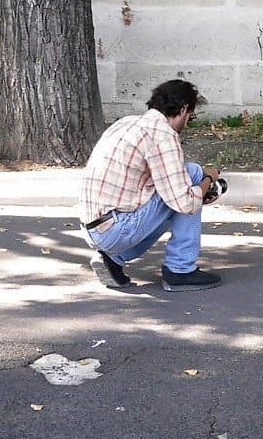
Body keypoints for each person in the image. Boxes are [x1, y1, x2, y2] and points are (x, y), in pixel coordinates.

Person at [79, 79, 223, 291]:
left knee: (181, 192)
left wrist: (198, 194)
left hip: (93, 227)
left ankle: (113, 259)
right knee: (192, 173)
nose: (188, 123)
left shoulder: (127, 122)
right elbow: (184, 202)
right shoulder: (163, 135)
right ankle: (180, 270)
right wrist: (207, 181)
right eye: (190, 117)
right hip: (115, 229)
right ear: (183, 109)